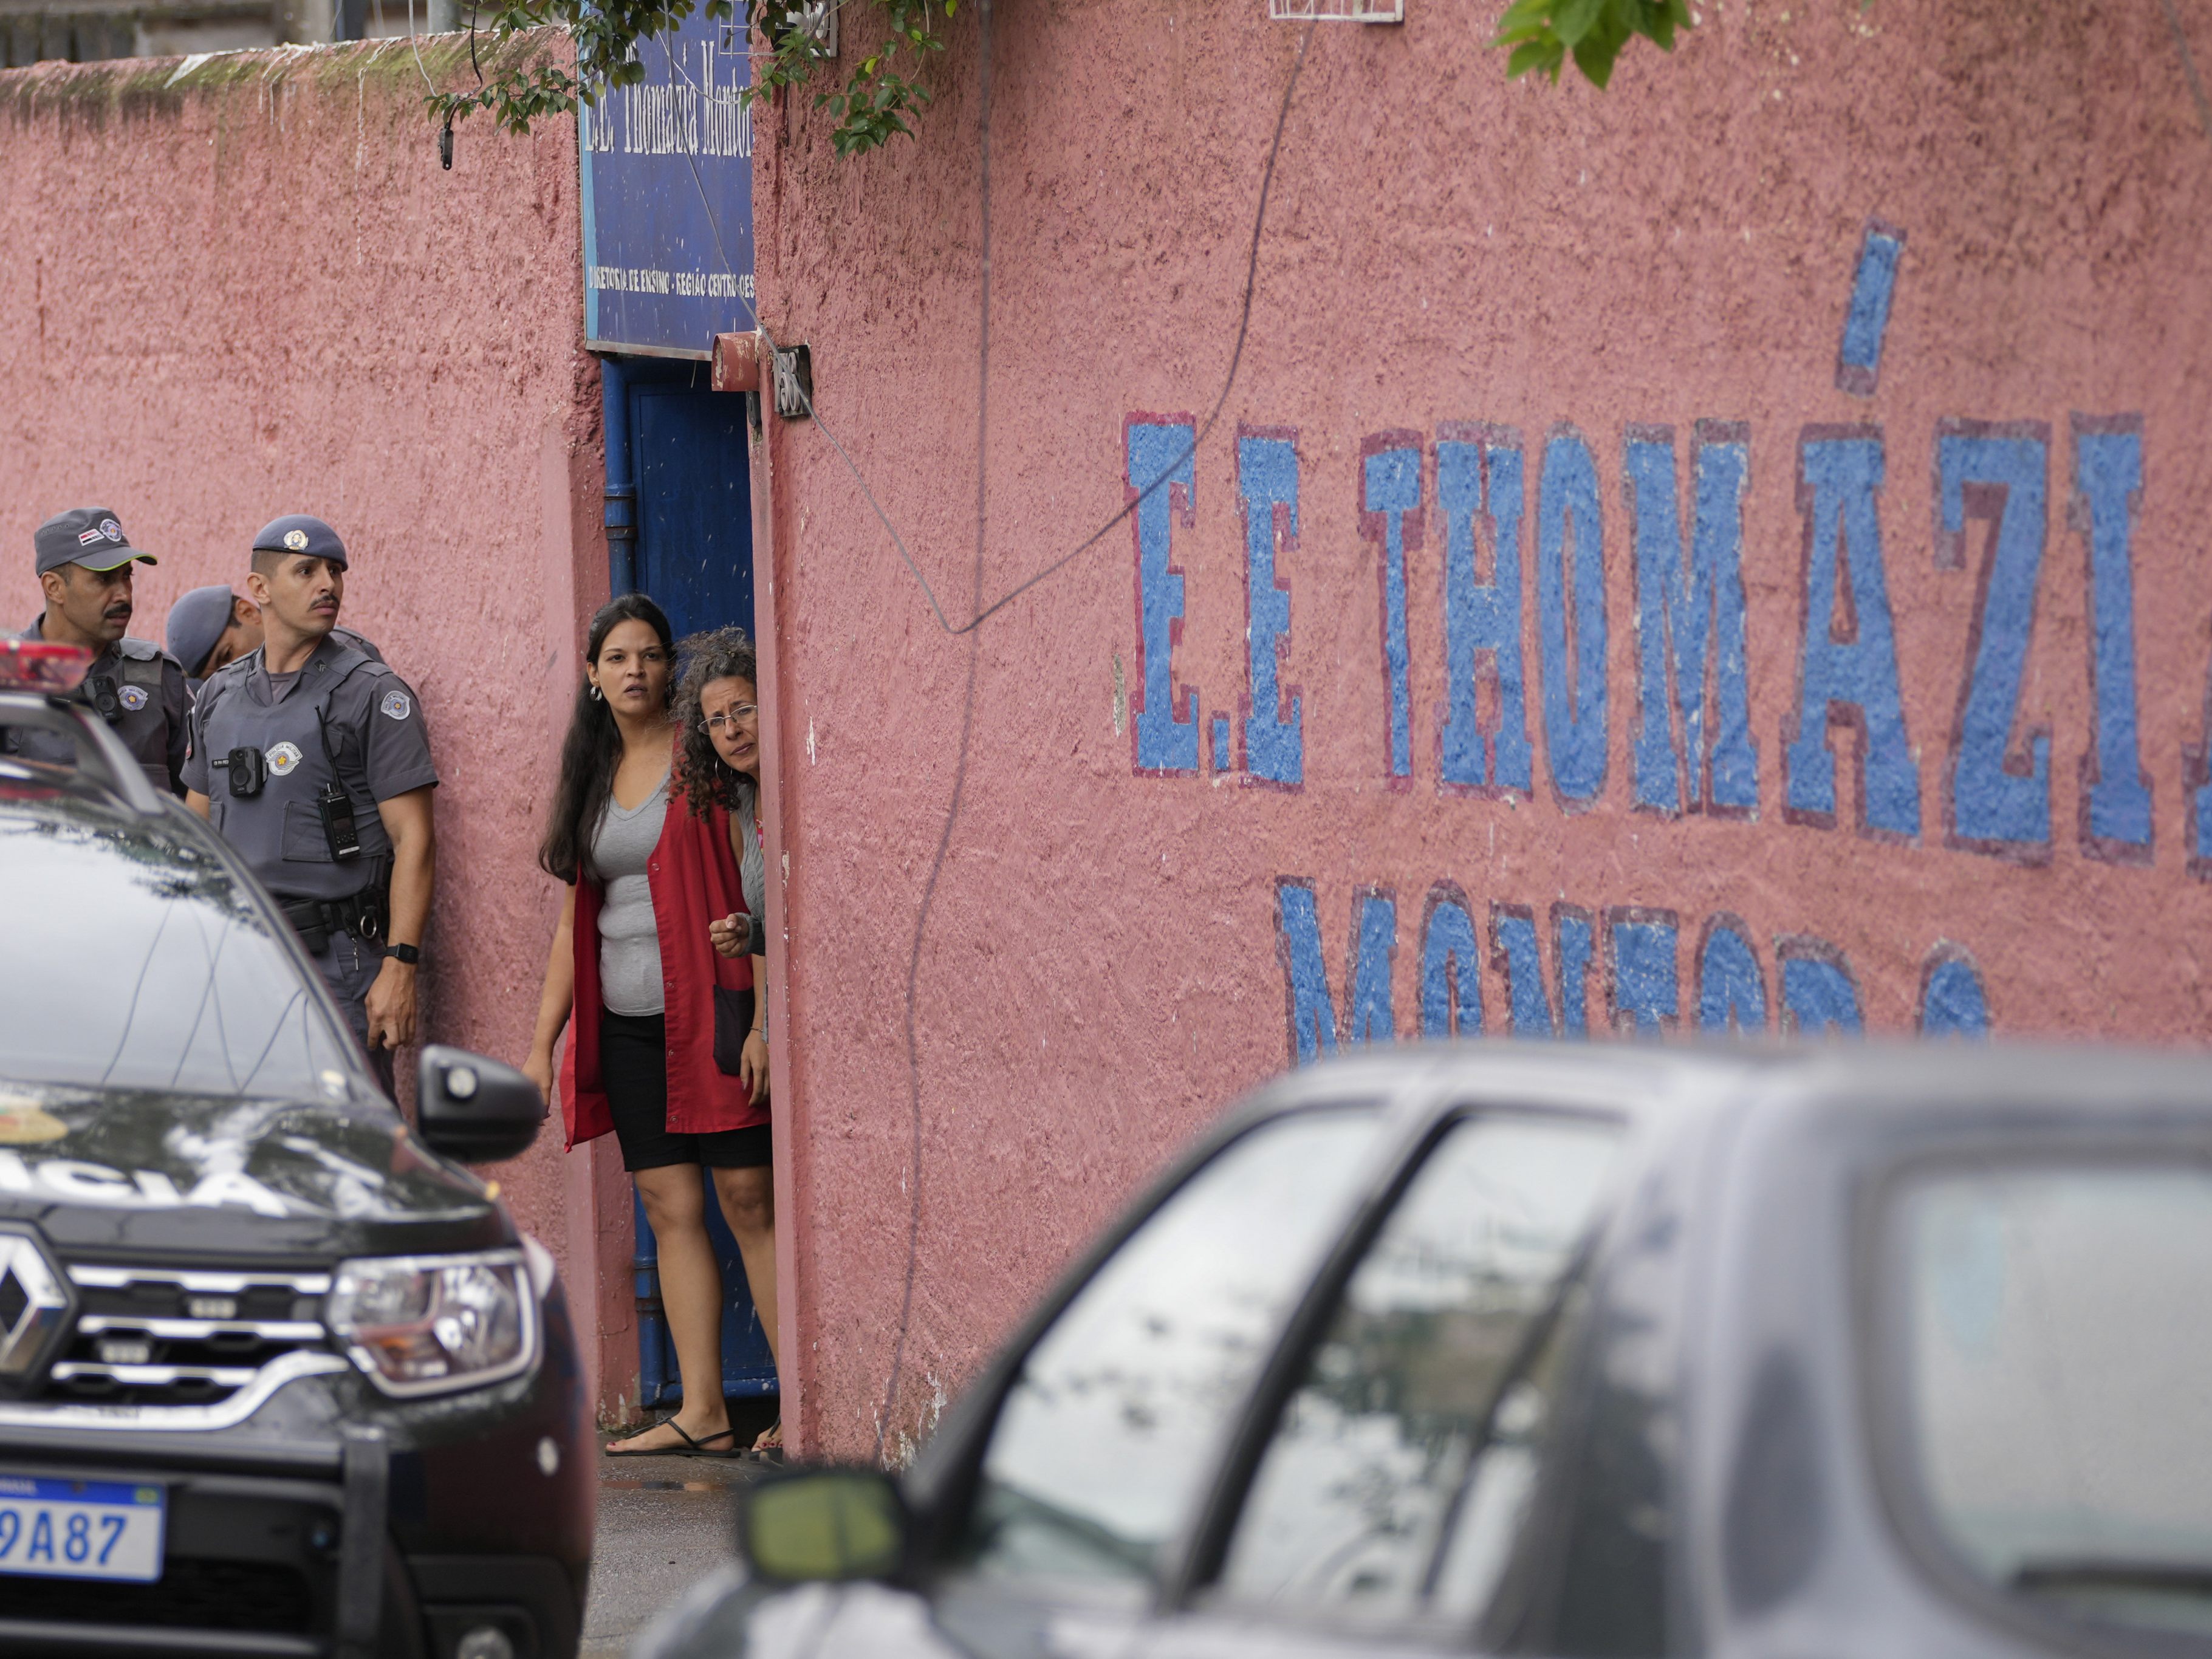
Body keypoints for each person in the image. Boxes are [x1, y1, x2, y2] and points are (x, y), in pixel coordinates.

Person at [522, 595, 765, 1459]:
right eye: (617, 657)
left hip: (714, 1005)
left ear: (669, 667)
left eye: (650, 654)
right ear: (592, 675)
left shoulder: (702, 753)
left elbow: (757, 860)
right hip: (626, 1024)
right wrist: (540, 1040)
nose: (635, 669)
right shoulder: (589, 776)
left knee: (747, 1197)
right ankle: (701, 1407)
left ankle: (799, 1406)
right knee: (670, 1205)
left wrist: (764, 1012)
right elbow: (570, 925)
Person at [183, 516, 436, 1096]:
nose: (329, 583)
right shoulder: (219, 694)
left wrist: (400, 965)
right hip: (239, 954)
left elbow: (415, 839)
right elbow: (193, 834)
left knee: (355, 1137)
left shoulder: (373, 693)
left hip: (337, 956)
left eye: (335, 571)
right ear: (261, 589)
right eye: (307, 571)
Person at [676, 627, 779, 1455]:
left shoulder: (793, 784)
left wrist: (767, 1026)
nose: (735, 728)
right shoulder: (744, 804)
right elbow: (781, 925)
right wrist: (750, 934)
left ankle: (802, 1405)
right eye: (716, 719)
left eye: (744, 706)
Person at [9, 508, 189, 795]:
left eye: (127, 576)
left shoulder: (160, 676)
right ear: (54, 588)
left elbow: (197, 802)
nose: (124, 594)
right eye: (104, 579)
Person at [165, 582, 383, 691]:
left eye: (227, 655)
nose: (231, 672)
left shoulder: (334, 654)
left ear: (248, 613)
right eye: (214, 677)